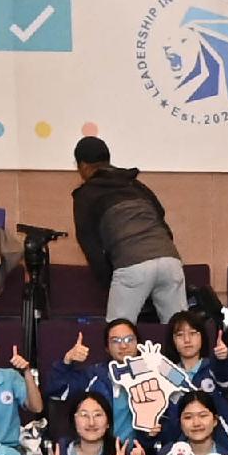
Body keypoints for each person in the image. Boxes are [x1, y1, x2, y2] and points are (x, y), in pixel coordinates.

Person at [69, 137, 188, 332]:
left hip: (131, 264)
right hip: (170, 260)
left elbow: (90, 245)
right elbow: (161, 220)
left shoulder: (86, 194)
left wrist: (111, 280)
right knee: (179, 333)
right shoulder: (135, 185)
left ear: (82, 166)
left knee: (118, 335)